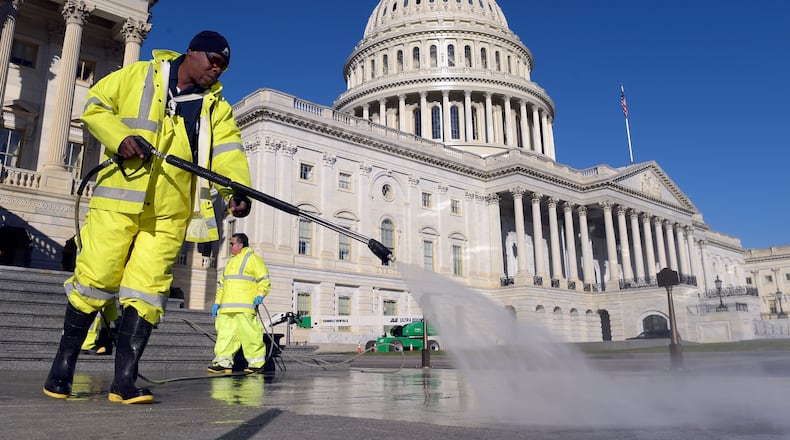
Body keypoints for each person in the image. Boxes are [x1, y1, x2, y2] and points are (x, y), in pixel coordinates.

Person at [43, 30, 252, 404]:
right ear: (192, 53)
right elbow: (95, 106)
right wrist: (119, 136)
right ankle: (63, 365)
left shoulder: (216, 108)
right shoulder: (139, 75)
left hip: (169, 213)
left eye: (224, 66)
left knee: (148, 292)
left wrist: (235, 190)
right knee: (95, 279)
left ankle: (124, 381)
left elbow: (228, 154)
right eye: (214, 61)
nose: (217, 70)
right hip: (119, 200)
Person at [209, 233, 270, 374]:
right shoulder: (230, 262)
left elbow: (264, 280)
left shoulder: (253, 259)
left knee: (250, 335)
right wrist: (217, 303)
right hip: (226, 307)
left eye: (232, 244)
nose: (230, 246)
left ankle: (256, 363)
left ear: (240, 245)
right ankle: (223, 363)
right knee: (225, 336)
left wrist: (260, 295)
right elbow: (222, 285)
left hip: (245, 305)